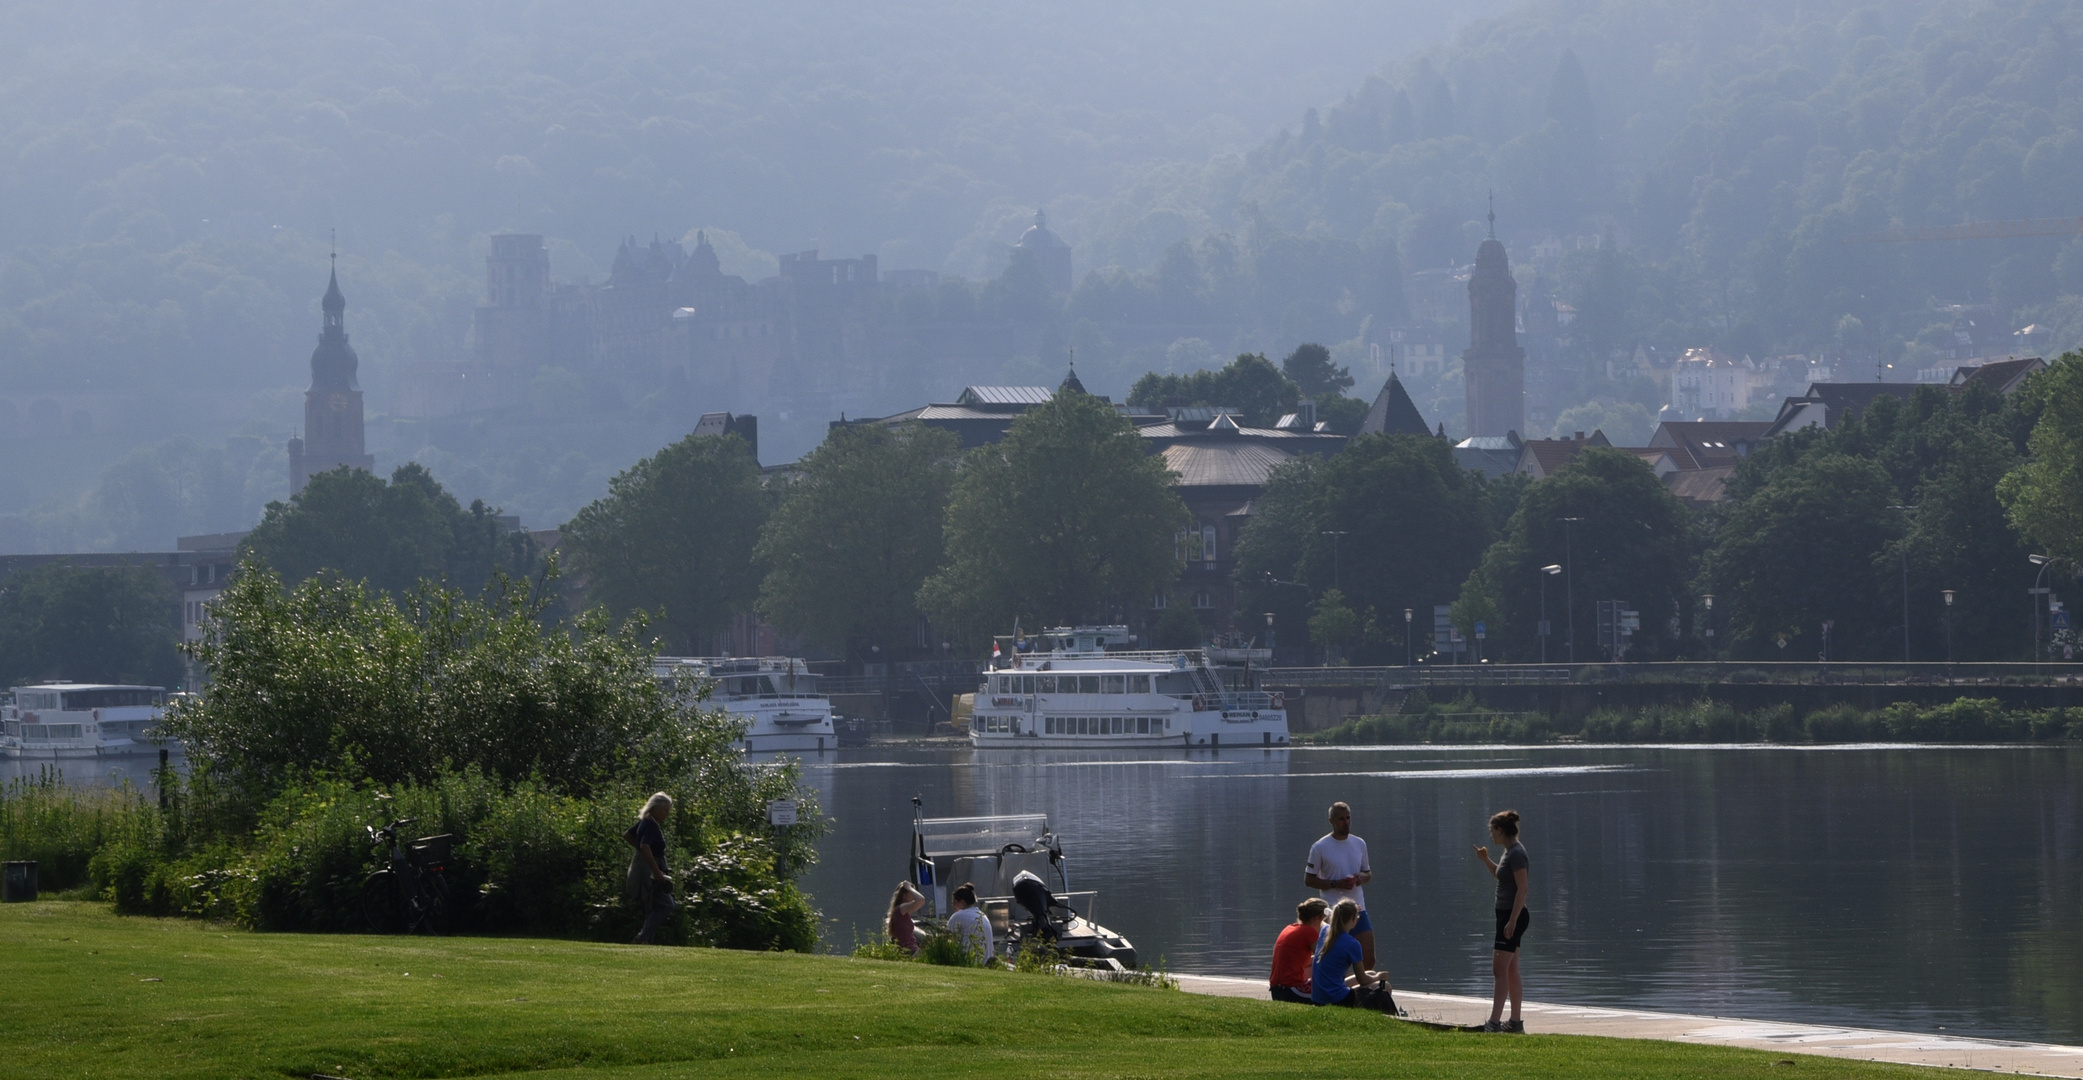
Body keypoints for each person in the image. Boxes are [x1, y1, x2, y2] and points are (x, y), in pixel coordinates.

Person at [1305, 800, 1379, 972]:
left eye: (1348, 818)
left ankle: (1362, 993)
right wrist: (1335, 883)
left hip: (1358, 910)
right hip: (1333, 912)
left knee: (1369, 959)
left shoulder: (1359, 843)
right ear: (1331, 821)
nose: (1346, 822)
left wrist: (1361, 878)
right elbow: (1309, 880)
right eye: (1341, 819)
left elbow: (1368, 873)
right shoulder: (1319, 847)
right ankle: (1340, 992)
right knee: (1337, 960)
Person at [1473, 809, 1530, 1033]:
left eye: (1492, 830)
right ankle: (1514, 1023)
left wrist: (1512, 920)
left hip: (1511, 915)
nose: (1491, 835)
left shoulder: (1517, 853)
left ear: (1500, 829)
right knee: (1510, 969)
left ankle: (1494, 1023)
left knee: (1499, 970)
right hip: (1506, 915)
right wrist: (1486, 859)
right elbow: (1501, 875)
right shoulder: (1510, 852)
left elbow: (1522, 888)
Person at [1311, 898, 1395, 1012]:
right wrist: (1379, 977)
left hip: (1318, 997)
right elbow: (1362, 980)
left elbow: (1324, 922)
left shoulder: (1325, 931)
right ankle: (1377, 1017)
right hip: (1336, 999)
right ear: (1353, 919)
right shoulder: (1352, 944)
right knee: (1385, 986)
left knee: (1370, 972)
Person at [626, 792, 674, 945]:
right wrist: (656, 871)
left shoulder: (644, 822)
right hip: (649, 873)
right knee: (667, 904)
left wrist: (641, 852)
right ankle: (643, 937)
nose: (667, 814)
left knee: (651, 906)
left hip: (641, 869)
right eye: (665, 810)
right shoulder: (651, 825)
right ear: (656, 808)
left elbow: (627, 835)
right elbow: (645, 846)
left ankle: (645, 942)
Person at [1268, 897, 1328, 1003]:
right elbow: (1323, 960)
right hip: (1291, 991)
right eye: (1325, 920)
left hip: (1277, 990)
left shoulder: (1290, 928)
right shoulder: (1310, 932)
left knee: (1315, 962)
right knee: (1333, 992)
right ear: (1317, 918)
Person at [945, 882, 994, 964]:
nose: (952, 905)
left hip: (970, 961)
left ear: (962, 902)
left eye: (954, 902)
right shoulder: (982, 915)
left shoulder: (958, 916)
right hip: (987, 961)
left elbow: (946, 939)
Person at [887, 881, 925, 954]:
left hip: (909, 949)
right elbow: (921, 900)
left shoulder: (900, 910)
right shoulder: (902, 908)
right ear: (904, 895)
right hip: (909, 950)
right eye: (911, 893)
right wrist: (909, 887)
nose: (914, 897)